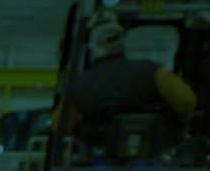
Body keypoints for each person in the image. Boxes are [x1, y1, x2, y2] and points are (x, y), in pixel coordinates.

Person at [53, 27, 195, 163]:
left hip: (98, 156)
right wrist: (182, 121)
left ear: (93, 49)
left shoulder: (79, 83)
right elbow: (186, 101)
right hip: (156, 153)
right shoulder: (153, 71)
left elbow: (61, 124)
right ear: (123, 45)